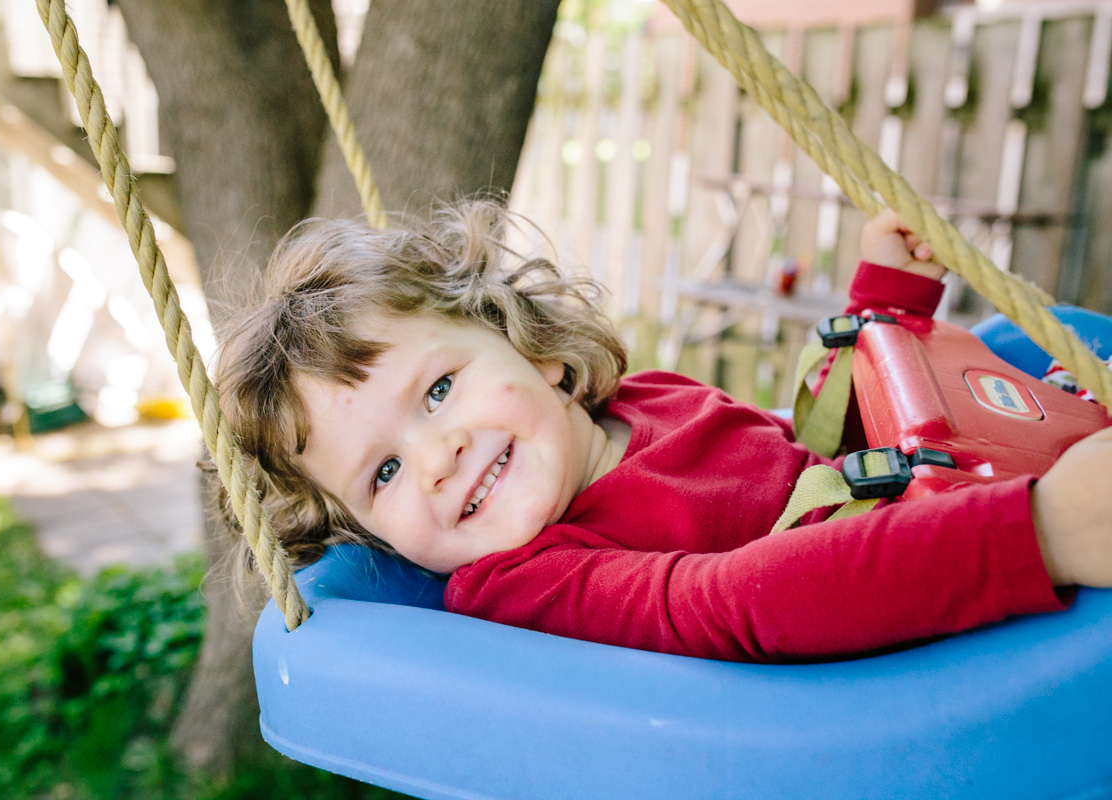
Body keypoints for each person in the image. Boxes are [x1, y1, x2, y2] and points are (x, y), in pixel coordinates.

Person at [216, 200, 1112, 663]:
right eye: (380, 475)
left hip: (933, 539)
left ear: (542, 359)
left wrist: (882, 304)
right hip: (904, 662)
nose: (435, 455)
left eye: (439, 389)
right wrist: (1041, 534)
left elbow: (816, 469)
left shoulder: (647, 401)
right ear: (372, 532)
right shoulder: (522, 580)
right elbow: (740, 604)